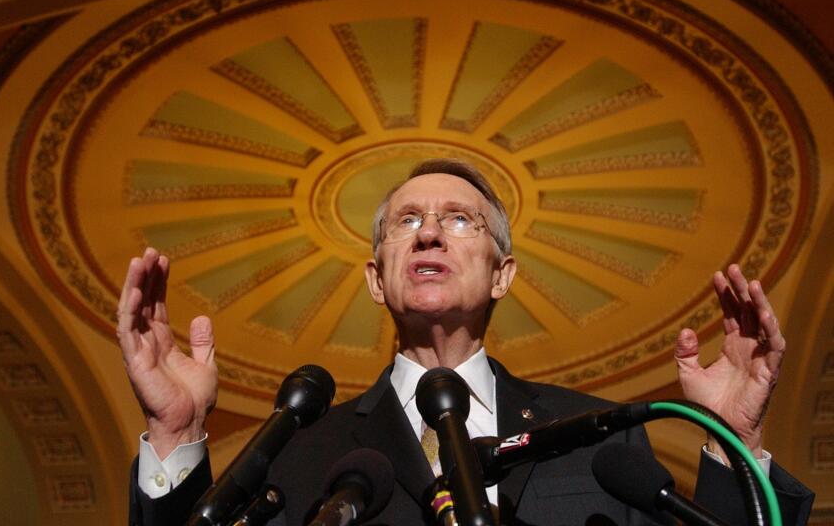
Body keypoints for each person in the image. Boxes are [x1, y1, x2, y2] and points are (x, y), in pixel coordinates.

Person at [121, 159, 814, 525]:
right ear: (375, 279)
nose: (428, 233)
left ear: (503, 275)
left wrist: (734, 441)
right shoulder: (298, 452)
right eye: (408, 222)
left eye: (459, 220)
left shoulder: (605, 443)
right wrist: (172, 431)